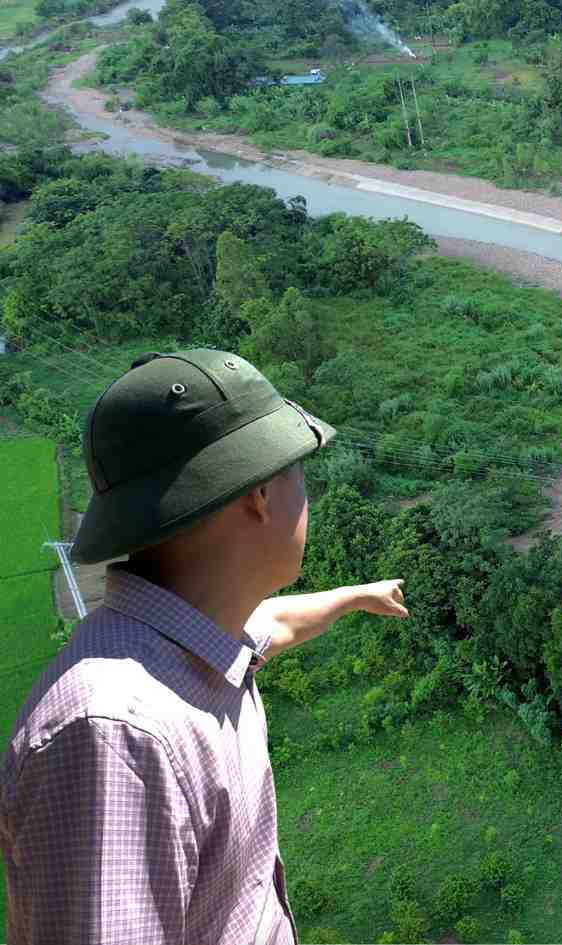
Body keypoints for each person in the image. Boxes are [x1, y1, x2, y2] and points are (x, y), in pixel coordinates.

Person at [1, 350, 408, 945]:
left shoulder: (187, 638)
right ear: (258, 495)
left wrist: (354, 596)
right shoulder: (117, 740)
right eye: (300, 472)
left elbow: (272, 625)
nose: (307, 496)